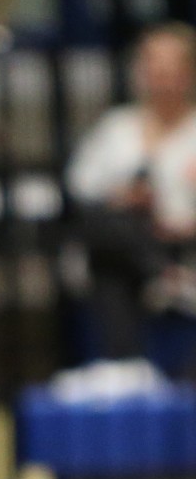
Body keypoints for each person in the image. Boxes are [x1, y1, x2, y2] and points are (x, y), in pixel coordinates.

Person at [66, 21, 196, 366]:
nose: (160, 79)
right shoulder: (116, 127)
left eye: (170, 70)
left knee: (114, 243)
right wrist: (124, 196)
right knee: (107, 230)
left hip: (185, 246)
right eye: (152, 69)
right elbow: (81, 188)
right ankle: (125, 367)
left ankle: (162, 273)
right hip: (128, 246)